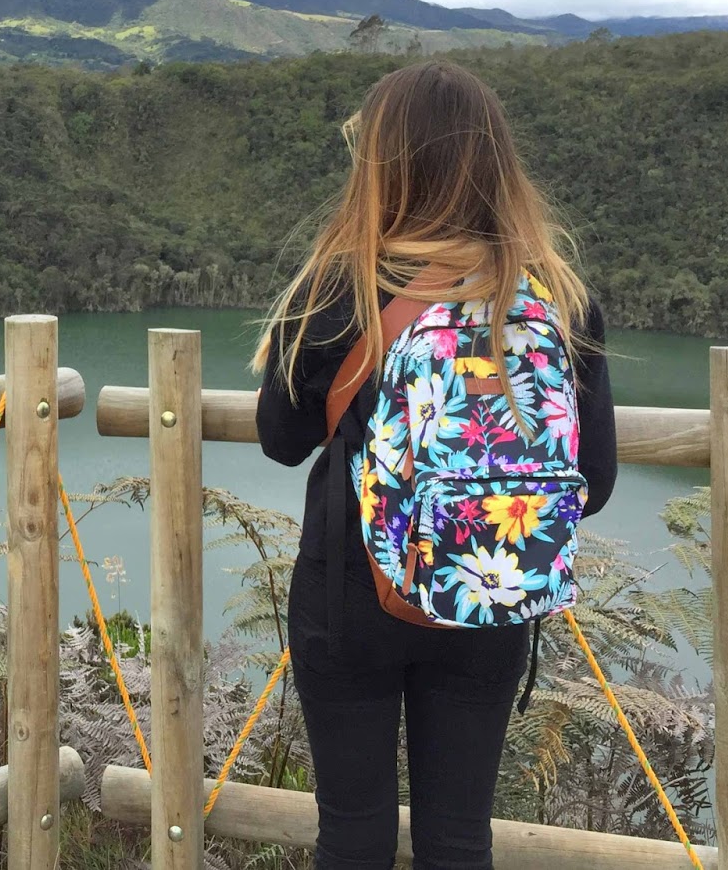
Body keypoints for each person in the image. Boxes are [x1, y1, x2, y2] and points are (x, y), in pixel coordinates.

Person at [251, 61, 617, 870]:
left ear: (382, 164)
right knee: (458, 838)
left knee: (352, 830)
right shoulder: (556, 294)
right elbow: (595, 483)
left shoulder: (342, 284)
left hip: (351, 592)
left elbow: (280, 438)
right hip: (486, 591)